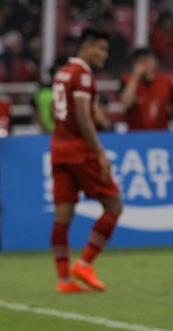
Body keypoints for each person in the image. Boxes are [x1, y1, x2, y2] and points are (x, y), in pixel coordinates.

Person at [49, 28, 122, 294]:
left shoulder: (62, 72)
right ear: (88, 46)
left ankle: (64, 280)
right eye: (101, 49)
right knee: (114, 206)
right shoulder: (83, 76)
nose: (104, 54)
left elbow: (54, 111)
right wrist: (100, 152)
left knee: (63, 216)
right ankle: (84, 264)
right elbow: (82, 117)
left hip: (58, 149)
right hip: (80, 151)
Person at [118, 47, 173, 130]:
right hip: (136, 135)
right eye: (140, 61)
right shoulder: (127, 81)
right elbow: (125, 104)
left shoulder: (166, 82)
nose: (145, 64)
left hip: (161, 134)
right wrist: (135, 77)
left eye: (148, 60)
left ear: (155, 61)